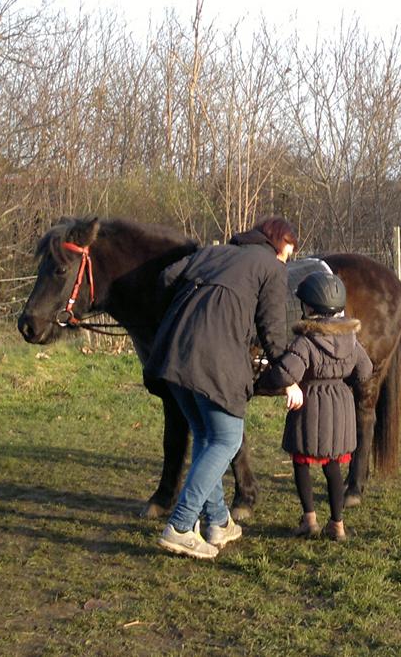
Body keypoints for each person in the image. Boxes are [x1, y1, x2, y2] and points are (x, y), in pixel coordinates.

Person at [148, 217, 302, 559]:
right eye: (289, 253)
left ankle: (218, 521)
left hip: (172, 355)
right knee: (227, 439)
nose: (288, 260)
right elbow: (272, 332)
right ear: (279, 244)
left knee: (206, 438)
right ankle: (182, 526)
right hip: (213, 362)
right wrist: (289, 378)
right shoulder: (271, 268)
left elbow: (166, 278)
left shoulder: (213, 253)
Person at [262, 271, 372, 541]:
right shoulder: (352, 339)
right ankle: (337, 526)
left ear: (309, 307)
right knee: (333, 467)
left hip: (310, 406)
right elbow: (365, 371)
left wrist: (270, 376)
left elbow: (284, 374)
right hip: (341, 405)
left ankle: (309, 520)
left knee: (302, 463)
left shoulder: (305, 340)